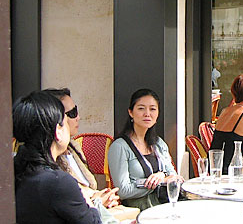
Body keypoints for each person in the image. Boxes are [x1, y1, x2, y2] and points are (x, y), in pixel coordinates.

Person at [46, 88, 139, 222]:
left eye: (76, 110)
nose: (78, 117)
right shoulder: (49, 165)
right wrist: (97, 200)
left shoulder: (73, 148)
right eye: (72, 113)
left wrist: (102, 196)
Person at [13, 90, 101, 223]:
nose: (78, 118)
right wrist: (90, 203)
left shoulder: (16, 170)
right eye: (65, 122)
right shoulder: (59, 182)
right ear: (57, 131)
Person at [108, 89, 181, 211]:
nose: (147, 113)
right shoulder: (120, 147)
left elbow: (174, 177)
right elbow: (123, 191)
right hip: (141, 210)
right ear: (131, 112)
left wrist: (162, 175)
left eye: (152, 109)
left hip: (166, 205)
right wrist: (157, 183)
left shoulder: (159, 144)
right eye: (141, 108)